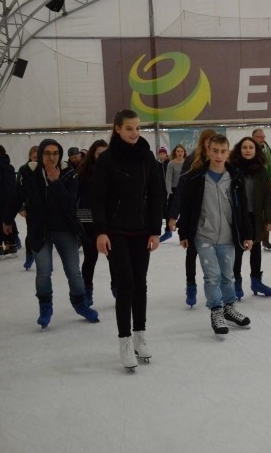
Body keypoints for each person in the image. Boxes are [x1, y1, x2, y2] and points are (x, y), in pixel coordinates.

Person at [92, 109, 163, 371]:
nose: (134, 133)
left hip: (142, 230)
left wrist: (155, 229)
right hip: (116, 231)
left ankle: (139, 334)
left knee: (140, 284)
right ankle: (124, 339)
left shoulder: (148, 158)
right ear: (117, 129)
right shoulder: (107, 160)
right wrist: (100, 230)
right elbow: (96, 198)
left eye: (137, 128)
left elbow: (157, 194)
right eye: (129, 128)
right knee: (126, 283)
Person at [3, 139, 99, 329]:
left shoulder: (69, 173)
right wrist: (7, 219)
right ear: (40, 155)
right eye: (47, 153)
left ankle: (80, 303)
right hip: (40, 229)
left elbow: (70, 204)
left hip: (65, 229)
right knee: (43, 272)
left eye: (55, 153)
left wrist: (55, 182)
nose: (52, 157)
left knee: (74, 272)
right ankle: (45, 306)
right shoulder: (28, 172)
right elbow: (17, 196)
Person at [178, 134, 253, 335]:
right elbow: (187, 207)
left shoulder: (235, 178)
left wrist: (247, 234)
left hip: (228, 236)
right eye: (215, 151)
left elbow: (243, 208)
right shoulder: (197, 177)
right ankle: (216, 310)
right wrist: (183, 232)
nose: (219, 156)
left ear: (228, 152)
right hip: (204, 235)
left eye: (223, 151)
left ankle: (229, 308)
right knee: (212, 276)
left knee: (228, 275)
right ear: (208, 151)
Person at [168, 129, 217, 307]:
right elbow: (181, 189)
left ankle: (216, 287)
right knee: (192, 252)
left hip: (215, 215)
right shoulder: (192, 160)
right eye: (208, 141)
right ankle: (191, 285)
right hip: (194, 214)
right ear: (203, 142)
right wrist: (173, 215)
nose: (210, 144)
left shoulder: (220, 159)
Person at [229, 137, 271, 299]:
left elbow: (268, 196)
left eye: (251, 147)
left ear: (256, 150)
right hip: (238, 216)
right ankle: (236, 282)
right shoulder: (232, 169)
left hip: (255, 215)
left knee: (256, 249)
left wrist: (269, 219)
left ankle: (256, 281)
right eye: (244, 147)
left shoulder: (261, 171)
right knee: (238, 250)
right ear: (239, 150)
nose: (247, 150)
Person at [75, 139, 109, 306]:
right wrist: (81, 223)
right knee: (90, 256)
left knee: (113, 256)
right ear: (93, 154)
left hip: (107, 217)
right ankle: (87, 290)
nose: (102, 157)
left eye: (105, 154)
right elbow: (78, 197)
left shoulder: (113, 170)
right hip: (87, 215)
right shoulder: (85, 171)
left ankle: (117, 286)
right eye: (99, 154)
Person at [252, 128, 271, 251]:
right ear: (254, 137)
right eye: (260, 137)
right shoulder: (249, 148)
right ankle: (253, 237)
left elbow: (270, 167)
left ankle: (265, 239)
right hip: (252, 184)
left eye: (263, 137)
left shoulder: (266, 149)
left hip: (264, 183)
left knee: (266, 211)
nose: (263, 139)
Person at [16, 145, 39, 270]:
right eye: (34, 157)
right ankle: (30, 255)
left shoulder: (44, 168)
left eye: (38, 157)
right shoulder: (24, 170)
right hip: (30, 207)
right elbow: (18, 191)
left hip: (45, 208)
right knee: (31, 232)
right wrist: (21, 207)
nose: (36, 160)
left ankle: (42, 256)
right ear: (30, 156)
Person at [160, 144, 186, 242]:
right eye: (178, 151)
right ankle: (168, 231)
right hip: (174, 191)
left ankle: (183, 233)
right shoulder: (171, 163)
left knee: (184, 213)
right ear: (175, 152)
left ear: (184, 153)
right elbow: (168, 179)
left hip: (184, 190)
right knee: (170, 213)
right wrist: (169, 191)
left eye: (181, 151)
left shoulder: (187, 163)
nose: (180, 153)